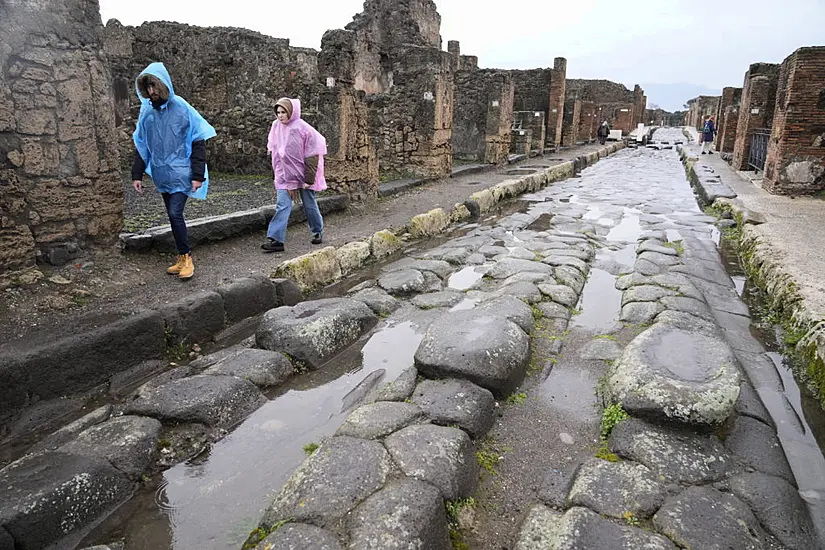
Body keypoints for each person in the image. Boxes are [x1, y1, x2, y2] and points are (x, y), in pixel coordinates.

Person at [131, 62, 216, 280]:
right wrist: (137, 174)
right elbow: (142, 145)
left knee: (175, 213)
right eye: (147, 87)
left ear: (163, 85)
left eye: (154, 86)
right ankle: (180, 256)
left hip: (182, 173)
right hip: (162, 174)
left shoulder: (181, 108)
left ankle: (187, 257)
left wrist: (198, 175)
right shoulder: (147, 113)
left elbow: (198, 140)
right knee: (172, 216)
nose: (151, 92)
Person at [261, 97, 327, 253]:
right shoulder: (276, 127)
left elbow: (312, 153)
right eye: (278, 112)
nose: (280, 115)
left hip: (303, 174)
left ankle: (317, 231)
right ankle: (276, 240)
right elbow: (276, 155)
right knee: (282, 205)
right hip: (284, 174)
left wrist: (309, 179)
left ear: (291, 112)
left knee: (309, 203)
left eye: (284, 112)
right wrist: (279, 177)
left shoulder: (303, 128)